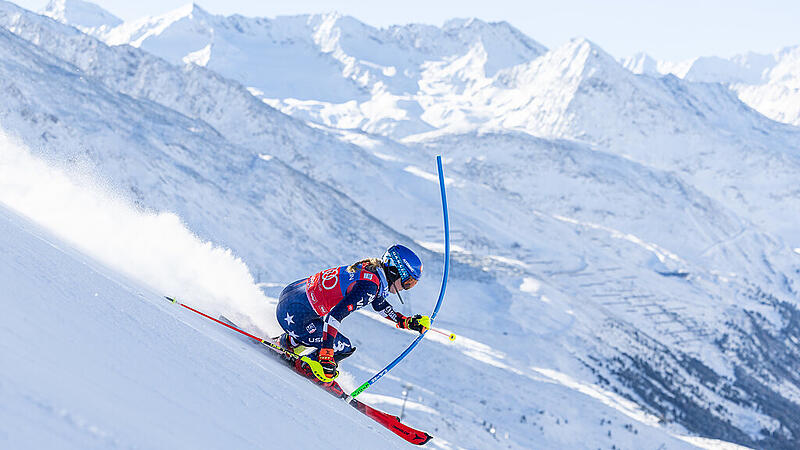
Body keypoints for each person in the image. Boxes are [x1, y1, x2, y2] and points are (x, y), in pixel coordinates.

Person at [275, 244, 431, 383]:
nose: (406, 288)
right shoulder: (370, 287)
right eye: (408, 283)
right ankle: (307, 366)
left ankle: (290, 343)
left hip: (291, 301)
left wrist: (406, 322)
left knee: (320, 325)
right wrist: (326, 352)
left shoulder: (371, 271)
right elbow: (334, 316)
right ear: (395, 271)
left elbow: (380, 305)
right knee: (343, 347)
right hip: (296, 315)